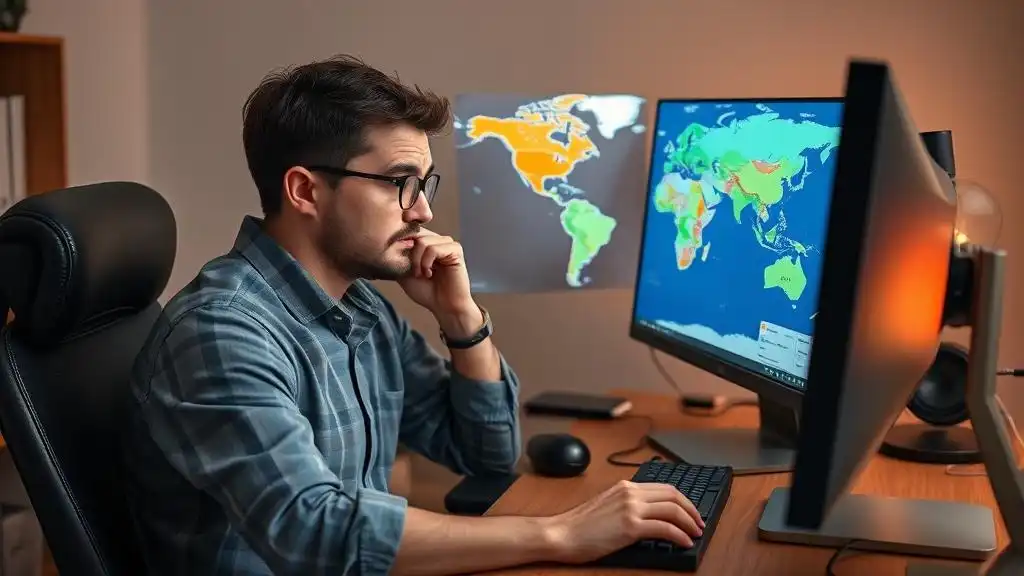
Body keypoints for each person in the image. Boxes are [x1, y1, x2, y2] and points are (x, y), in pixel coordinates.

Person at [122, 54, 704, 576]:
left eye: (423, 183)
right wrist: (561, 533)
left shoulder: (360, 305)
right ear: (304, 191)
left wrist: (460, 317)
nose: (423, 209)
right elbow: (314, 531)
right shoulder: (223, 331)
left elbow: (486, 454)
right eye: (399, 183)